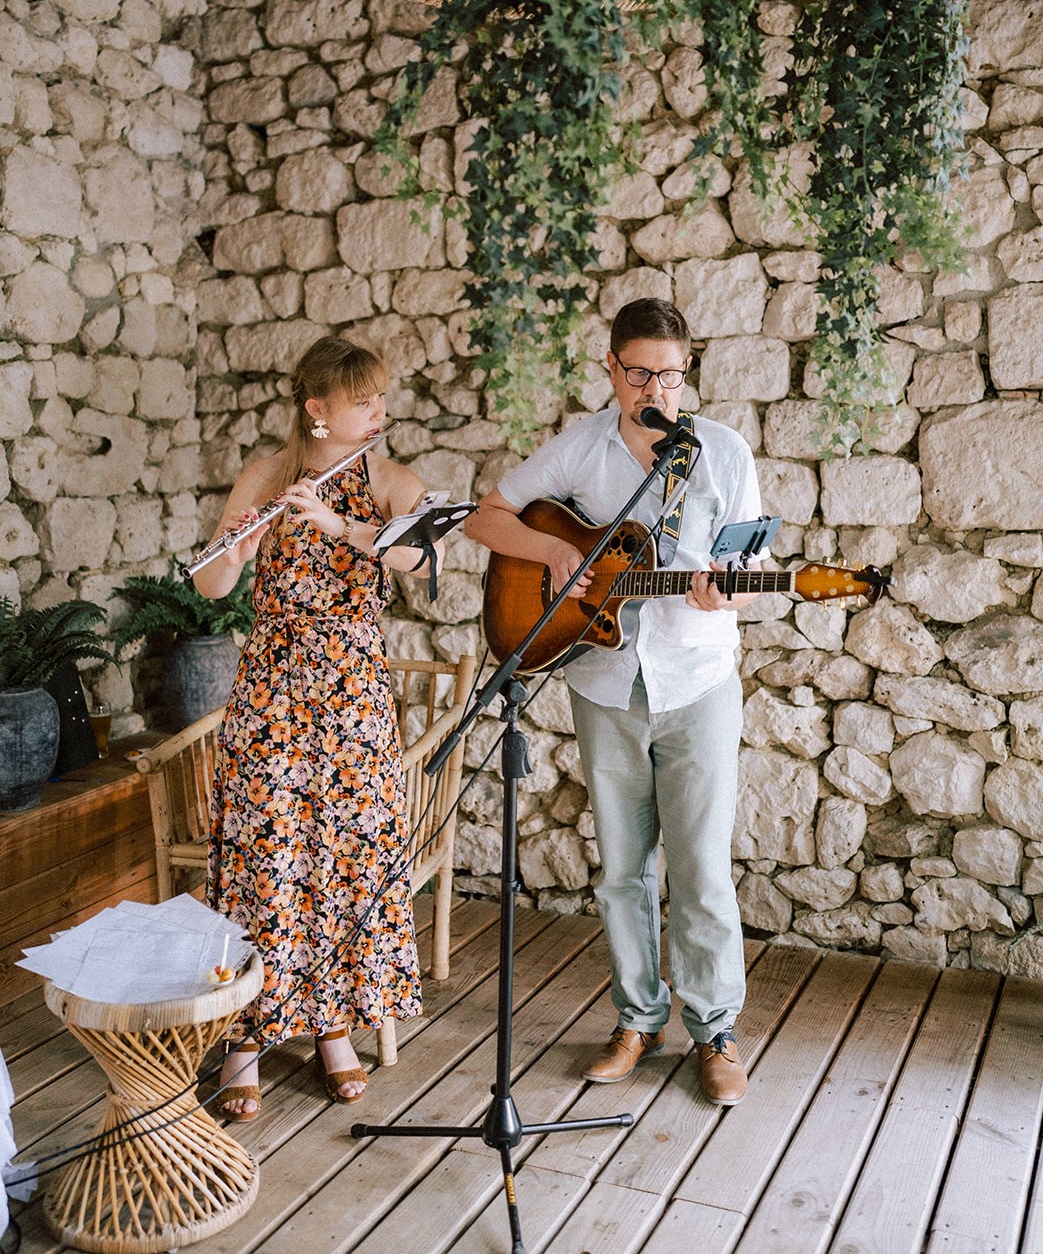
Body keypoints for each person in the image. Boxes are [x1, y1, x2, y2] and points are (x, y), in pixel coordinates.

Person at [466, 297, 767, 1105]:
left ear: (686, 370)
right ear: (611, 370)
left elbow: (749, 563)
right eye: (640, 373)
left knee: (701, 869)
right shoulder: (581, 448)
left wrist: (724, 596)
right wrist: (554, 549)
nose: (656, 390)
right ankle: (637, 1018)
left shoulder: (723, 453)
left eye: (671, 374)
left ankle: (715, 1031)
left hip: (697, 679)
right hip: (603, 683)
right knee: (622, 871)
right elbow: (487, 517)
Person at [195, 336, 432, 1119]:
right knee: (266, 858)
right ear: (317, 409)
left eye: (381, 399)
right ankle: (245, 1038)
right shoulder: (266, 474)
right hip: (271, 695)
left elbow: (423, 564)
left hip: (353, 697)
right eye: (365, 402)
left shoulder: (393, 482)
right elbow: (212, 582)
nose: (380, 413)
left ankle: (334, 1024)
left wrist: (335, 524)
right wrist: (247, 537)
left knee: (343, 862)